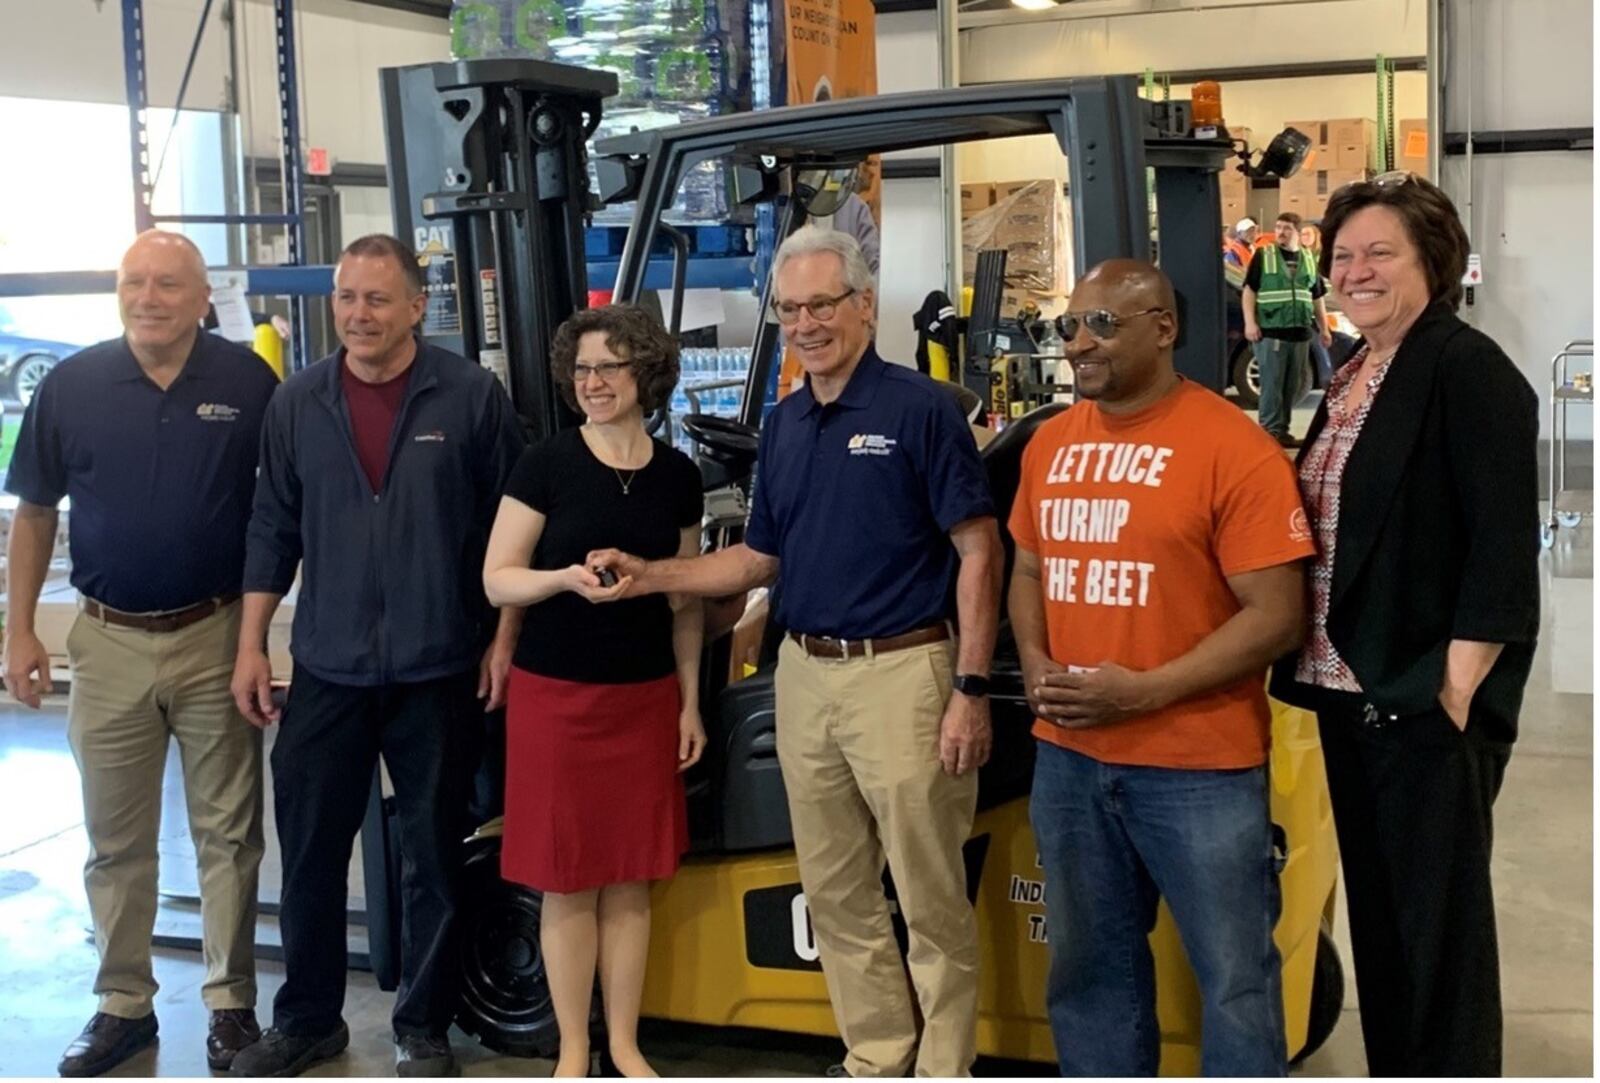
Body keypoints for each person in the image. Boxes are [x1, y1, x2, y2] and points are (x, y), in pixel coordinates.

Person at [589, 226, 1002, 1077]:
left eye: (822, 304)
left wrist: (969, 685)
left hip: (905, 672)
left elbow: (979, 549)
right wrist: (651, 574)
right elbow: (758, 558)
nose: (806, 322)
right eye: (791, 308)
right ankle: (878, 1054)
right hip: (806, 676)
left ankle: (945, 1065)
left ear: (861, 305)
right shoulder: (784, 422)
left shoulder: (922, 408)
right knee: (839, 891)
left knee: (928, 899)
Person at [227, 234, 526, 1078]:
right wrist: (254, 644)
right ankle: (310, 1018)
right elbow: (271, 528)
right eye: (346, 297)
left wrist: (504, 642)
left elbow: (517, 530)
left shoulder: (469, 396)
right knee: (312, 850)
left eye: (377, 299)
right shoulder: (298, 402)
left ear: (416, 305)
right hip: (327, 664)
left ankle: (423, 1024)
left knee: (435, 850)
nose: (358, 314)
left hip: (440, 663)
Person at [1008, 259, 1314, 1077]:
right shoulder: (1051, 445)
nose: (1080, 343)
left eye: (1103, 324)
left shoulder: (1233, 448)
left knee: (1236, 980)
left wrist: (1143, 692)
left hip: (1197, 766)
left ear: (1164, 328)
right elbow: (1029, 569)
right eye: (1069, 327)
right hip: (1070, 760)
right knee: (1089, 974)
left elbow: (1277, 617)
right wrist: (1035, 660)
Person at [1269, 173, 1539, 1077]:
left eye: (1380, 251)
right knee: (1382, 921)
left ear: (1432, 259)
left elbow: (1501, 552)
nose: (1357, 270)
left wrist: (1452, 688)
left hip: (1420, 701)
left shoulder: (1464, 369)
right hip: (1354, 692)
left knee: (1438, 937)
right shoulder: (1355, 374)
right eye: (1342, 256)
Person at [0, 231, 278, 1077]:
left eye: (167, 283)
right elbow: (36, 511)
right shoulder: (73, 385)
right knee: (114, 839)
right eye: (133, 282)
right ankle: (124, 1004)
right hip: (107, 639)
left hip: (215, 636)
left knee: (228, 834)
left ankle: (231, 1006)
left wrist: (259, 639)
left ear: (202, 297)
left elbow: (281, 507)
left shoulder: (246, 382)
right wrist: (16, 630)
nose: (147, 297)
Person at [482, 304, 706, 1078]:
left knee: (630, 881)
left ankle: (626, 1044)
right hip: (558, 699)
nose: (593, 382)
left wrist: (690, 701)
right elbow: (497, 575)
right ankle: (574, 1049)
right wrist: (564, 579)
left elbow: (682, 598)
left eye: (609, 366)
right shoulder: (546, 464)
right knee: (568, 880)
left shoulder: (678, 477)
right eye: (581, 369)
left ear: (644, 370)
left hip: (643, 699)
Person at [1242, 211, 1334, 448]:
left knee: (1291, 387)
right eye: (1278, 227)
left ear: (1297, 232)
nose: (1281, 232)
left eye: (1287, 228)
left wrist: (1324, 329)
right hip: (1272, 332)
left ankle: (1282, 431)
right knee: (1272, 387)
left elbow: (1317, 298)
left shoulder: (1309, 259)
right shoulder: (1264, 256)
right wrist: (1250, 323)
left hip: (1300, 333)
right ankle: (1269, 433)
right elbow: (1249, 291)